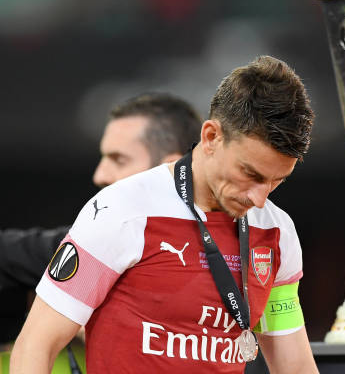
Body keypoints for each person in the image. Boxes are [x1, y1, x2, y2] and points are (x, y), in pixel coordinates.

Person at [11, 55, 319, 373]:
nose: (259, 198)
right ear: (212, 137)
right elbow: (35, 346)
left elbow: (294, 366)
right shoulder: (121, 211)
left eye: (276, 182)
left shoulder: (276, 231)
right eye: (250, 174)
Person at [0, 92, 203, 349]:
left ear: (170, 168)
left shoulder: (245, 248)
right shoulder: (93, 245)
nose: (100, 175)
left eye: (118, 159)